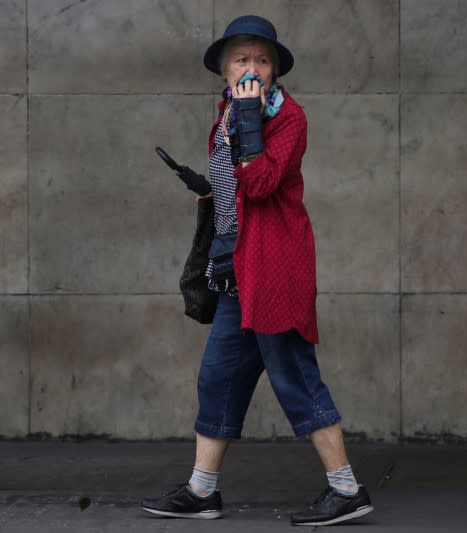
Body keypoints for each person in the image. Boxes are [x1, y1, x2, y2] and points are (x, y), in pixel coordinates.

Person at [140, 15, 373, 527]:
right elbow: (241, 187)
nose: (253, 68)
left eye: (262, 60)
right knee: (219, 378)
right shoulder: (227, 113)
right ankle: (203, 491)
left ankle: (347, 489)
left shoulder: (285, 118)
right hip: (236, 271)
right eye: (242, 60)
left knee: (294, 375)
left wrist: (249, 118)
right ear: (224, 70)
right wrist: (211, 185)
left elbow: (264, 183)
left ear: (274, 71)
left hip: (273, 270)